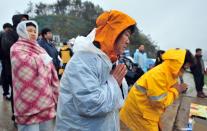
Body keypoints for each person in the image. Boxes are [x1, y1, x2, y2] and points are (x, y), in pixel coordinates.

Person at [55, 10, 136, 131]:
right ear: (114, 32)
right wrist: (114, 83)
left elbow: (116, 101)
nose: (128, 41)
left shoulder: (109, 61)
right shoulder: (83, 60)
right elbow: (90, 105)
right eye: (126, 35)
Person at [120, 49, 194, 131]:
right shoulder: (159, 75)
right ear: (179, 63)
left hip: (147, 110)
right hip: (139, 112)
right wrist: (177, 90)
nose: (185, 70)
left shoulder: (169, 73)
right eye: (186, 67)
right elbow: (159, 103)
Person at [10, 20, 59, 131]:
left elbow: (51, 69)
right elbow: (23, 65)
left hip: (45, 99)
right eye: (29, 31)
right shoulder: (16, 48)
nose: (32, 33)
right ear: (22, 31)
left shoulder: (40, 48)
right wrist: (42, 59)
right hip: (27, 100)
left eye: (34, 31)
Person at [1, 14, 29, 122]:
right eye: (22, 20)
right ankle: (16, 115)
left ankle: (26, 113)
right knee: (16, 93)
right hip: (13, 69)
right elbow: (9, 50)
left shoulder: (26, 34)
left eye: (26, 20)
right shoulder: (9, 34)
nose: (25, 22)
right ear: (16, 21)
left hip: (27, 70)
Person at [0, 23, 13, 92]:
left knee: (5, 76)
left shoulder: (5, 35)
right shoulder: (3, 35)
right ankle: (6, 92)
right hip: (6, 59)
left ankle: (6, 92)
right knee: (6, 76)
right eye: (9, 29)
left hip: (5, 59)